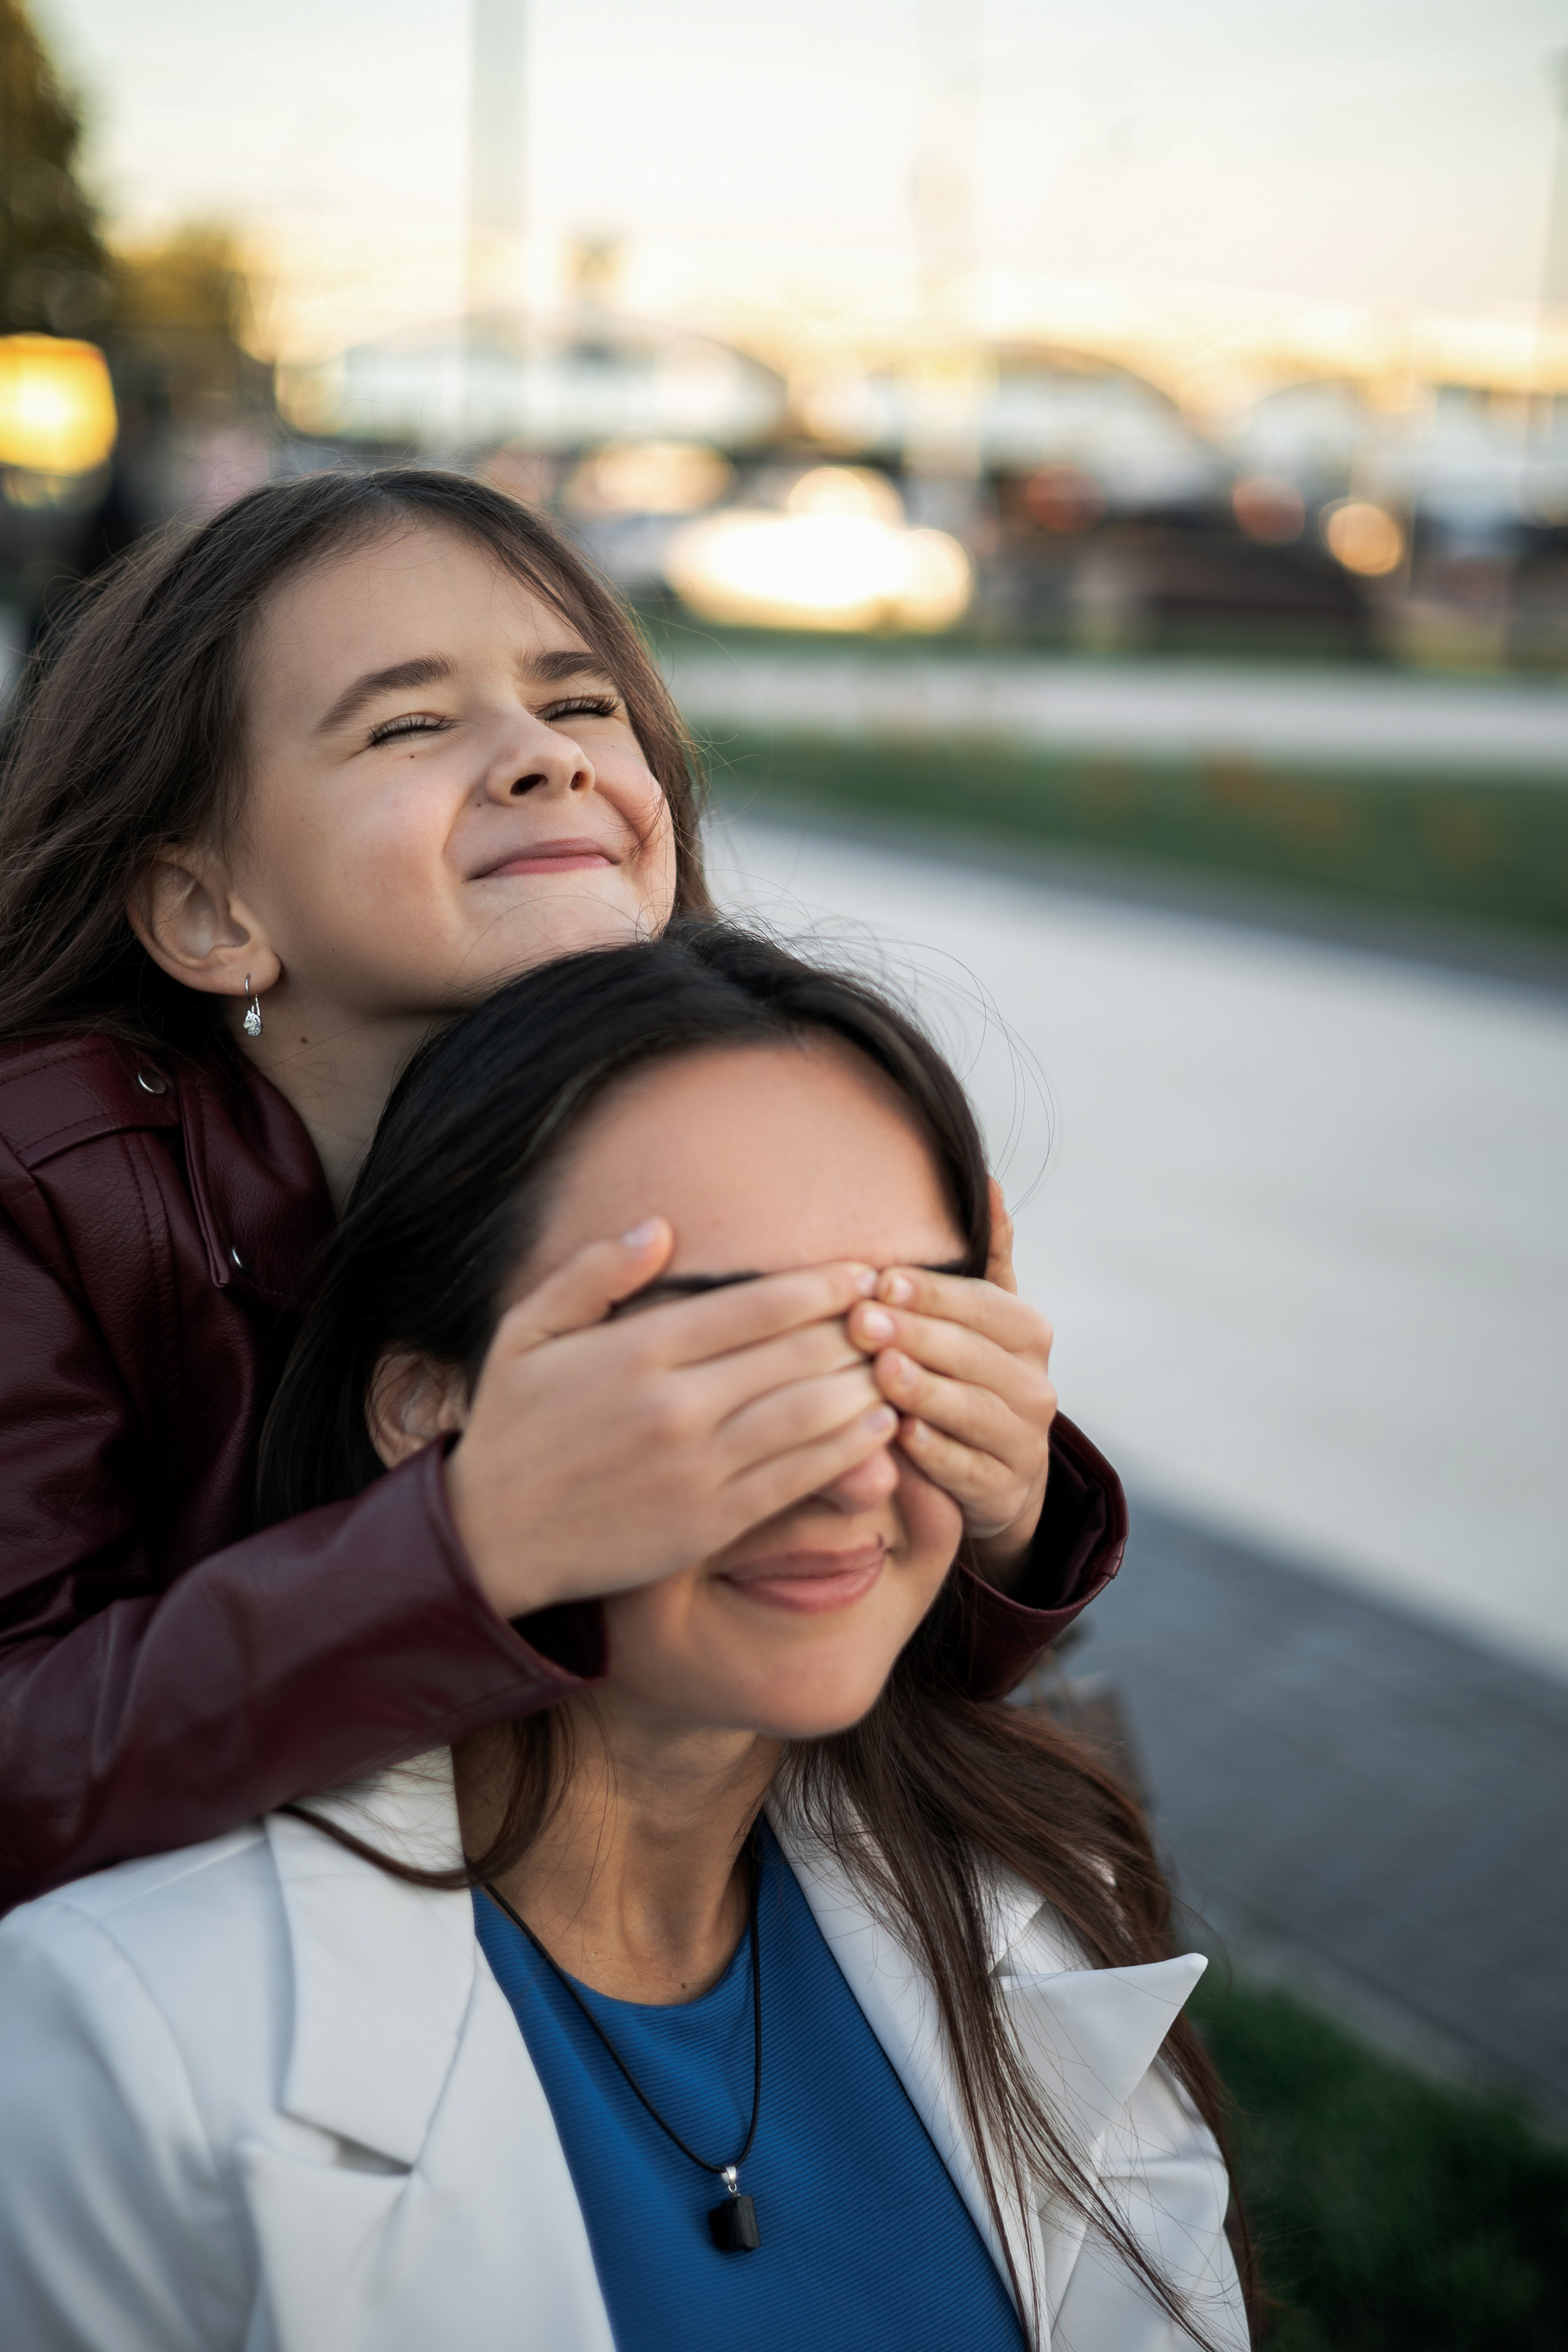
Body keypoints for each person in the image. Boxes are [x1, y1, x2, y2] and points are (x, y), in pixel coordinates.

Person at [0, 927, 1250, 2352]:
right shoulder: (117, 2038)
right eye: (718, 1365)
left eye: (902, 1341)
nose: (846, 1468)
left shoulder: (1040, 1887)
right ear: (425, 1411)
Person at [0, 467, 1127, 1912]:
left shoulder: (731, 1119)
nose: (544, 758)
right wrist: (476, 1543)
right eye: (408, 722)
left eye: (581, 703)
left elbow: (795, 1620)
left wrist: (1001, 1515)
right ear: (212, 910)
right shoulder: (43, 1186)